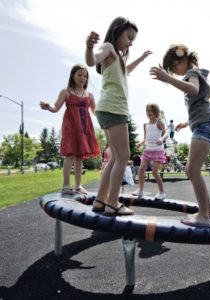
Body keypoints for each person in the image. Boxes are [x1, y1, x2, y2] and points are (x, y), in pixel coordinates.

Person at [85, 16, 152, 215]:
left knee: (115, 157)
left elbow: (125, 71)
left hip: (107, 109)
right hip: (114, 108)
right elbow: (91, 60)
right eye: (129, 37)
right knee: (123, 156)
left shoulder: (118, 59)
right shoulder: (108, 48)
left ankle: (100, 200)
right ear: (117, 31)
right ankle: (112, 202)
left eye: (133, 40)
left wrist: (140, 58)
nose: (130, 42)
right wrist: (89, 46)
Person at [150, 44, 210, 227]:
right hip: (205, 124)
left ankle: (203, 215)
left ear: (183, 60)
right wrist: (190, 121)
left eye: (174, 67)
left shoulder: (192, 74)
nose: (174, 72)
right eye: (170, 71)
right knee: (193, 169)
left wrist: (168, 79)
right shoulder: (200, 74)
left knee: (192, 170)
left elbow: (194, 90)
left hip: (205, 126)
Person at [40, 64, 100, 195]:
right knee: (70, 155)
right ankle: (66, 185)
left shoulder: (90, 95)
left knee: (80, 157)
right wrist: (48, 106)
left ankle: (78, 186)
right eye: (79, 75)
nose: (82, 78)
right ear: (73, 76)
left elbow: (96, 112)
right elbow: (55, 107)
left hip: (84, 129)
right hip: (71, 128)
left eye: (85, 76)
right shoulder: (66, 92)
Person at [132, 103, 169, 199]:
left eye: (151, 111)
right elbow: (145, 138)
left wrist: (161, 139)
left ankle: (162, 193)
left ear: (155, 112)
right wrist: (140, 143)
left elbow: (166, 134)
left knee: (155, 172)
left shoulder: (159, 122)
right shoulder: (145, 125)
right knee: (141, 169)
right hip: (147, 150)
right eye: (147, 111)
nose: (149, 113)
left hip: (157, 150)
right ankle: (140, 190)